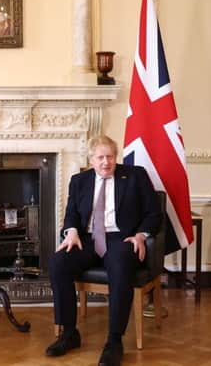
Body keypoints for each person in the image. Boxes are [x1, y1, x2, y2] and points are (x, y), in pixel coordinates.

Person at [46, 135, 161, 366]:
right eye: (100, 157)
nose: (106, 162)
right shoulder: (79, 180)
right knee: (58, 263)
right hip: (87, 239)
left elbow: (154, 214)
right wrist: (71, 231)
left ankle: (114, 340)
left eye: (110, 157)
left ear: (116, 157)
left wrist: (140, 235)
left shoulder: (135, 176)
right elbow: (72, 215)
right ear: (91, 159)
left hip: (122, 238)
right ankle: (69, 334)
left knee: (120, 265)